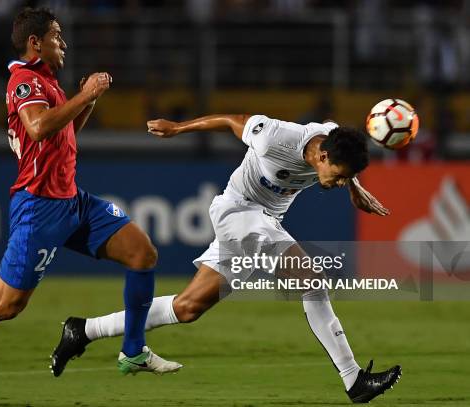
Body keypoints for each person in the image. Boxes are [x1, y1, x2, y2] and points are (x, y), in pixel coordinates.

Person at [0, 7, 182, 388]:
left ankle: (133, 350)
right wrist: (83, 94)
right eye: (56, 36)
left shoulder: (48, 82)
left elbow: (62, 134)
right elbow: (36, 129)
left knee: (142, 252)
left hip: (73, 202)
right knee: (6, 305)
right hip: (40, 206)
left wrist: (86, 101)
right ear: (36, 42)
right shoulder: (24, 81)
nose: (63, 43)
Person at [51, 114, 402, 404]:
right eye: (339, 176)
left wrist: (355, 188)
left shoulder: (332, 140)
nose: (339, 183)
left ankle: (83, 330)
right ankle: (353, 379)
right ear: (323, 157)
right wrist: (178, 129)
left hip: (263, 223)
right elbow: (233, 120)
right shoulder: (276, 138)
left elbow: (339, 145)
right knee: (311, 282)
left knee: (188, 308)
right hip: (238, 211)